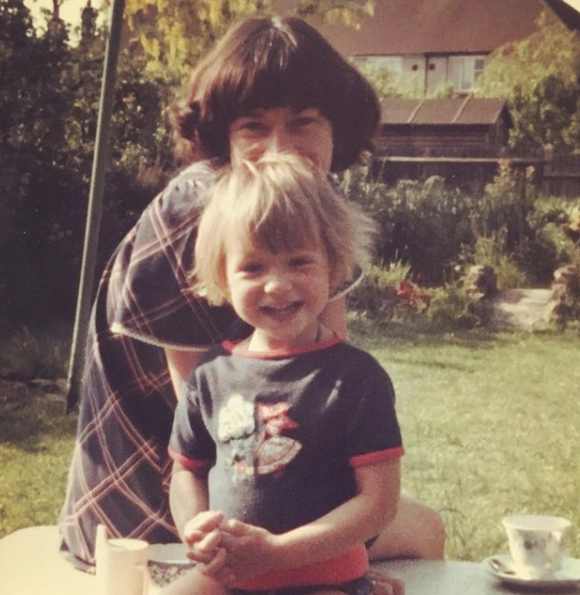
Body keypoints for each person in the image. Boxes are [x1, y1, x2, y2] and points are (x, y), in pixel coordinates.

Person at [58, 14, 444, 576]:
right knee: (415, 532)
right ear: (224, 137)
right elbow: (214, 430)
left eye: (304, 121)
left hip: (266, 486)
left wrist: (342, 550)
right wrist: (312, 550)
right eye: (253, 127)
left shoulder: (309, 204)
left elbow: (325, 368)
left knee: (419, 530)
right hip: (162, 515)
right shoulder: (202, 210)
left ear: (338, 127)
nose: (278, 147)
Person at [165, 152, 403, 595]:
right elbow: (187, 471)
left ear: (333, 266)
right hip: (231, 575)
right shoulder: (212, 373)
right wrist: (194, 525)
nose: (277, 284)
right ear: (223, 275)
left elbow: (378, 504)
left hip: (323, 578)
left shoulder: (354, 378)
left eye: (299, 262)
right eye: (253, 267)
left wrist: (276, 552)